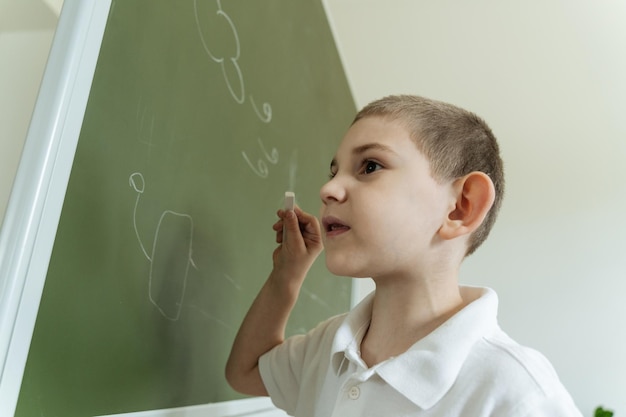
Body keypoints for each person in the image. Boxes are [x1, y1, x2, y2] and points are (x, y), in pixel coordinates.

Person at [225, 95, 582, 416]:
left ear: (460, 207)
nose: (328, 189)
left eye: (370, 167)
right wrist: (286, 275)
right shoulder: (329, 348)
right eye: (334, 172)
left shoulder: (517, 395)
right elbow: (245, 372)